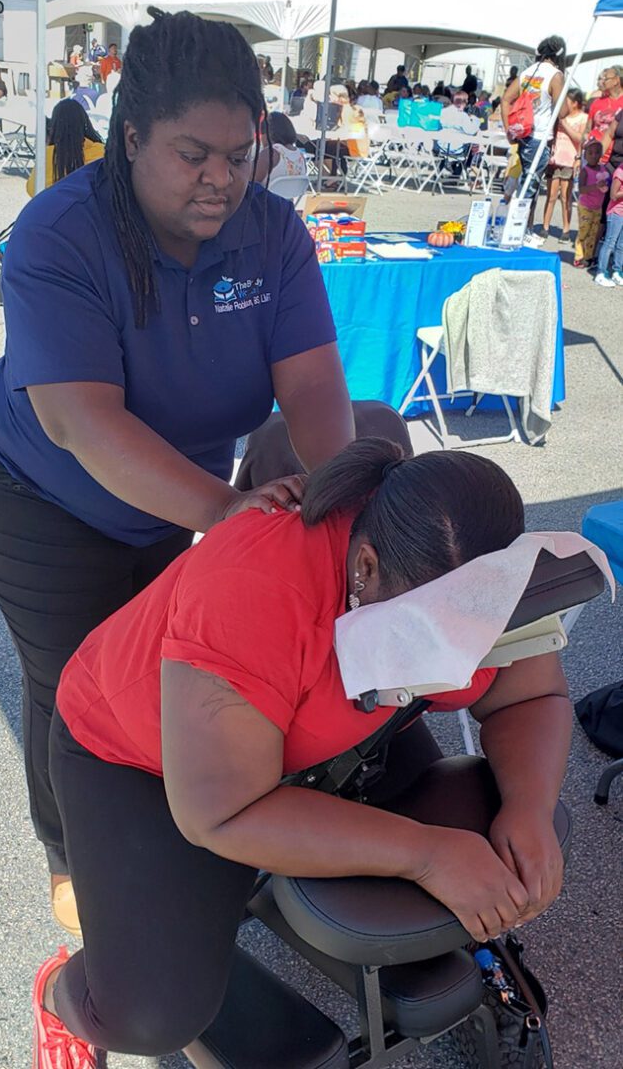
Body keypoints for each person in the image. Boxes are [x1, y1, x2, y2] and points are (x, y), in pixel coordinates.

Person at [0, 8, 354, 940]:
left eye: (239, 152)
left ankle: (182, 823)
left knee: (166, 669)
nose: (222, 178)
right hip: (36, 494)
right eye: (193, 154)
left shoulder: (273, 234)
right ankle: (71, 855)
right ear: (130, 138)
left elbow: (312, 387)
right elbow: (80, 422)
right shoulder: (60, 233)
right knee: (75, 683)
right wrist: (225, 509)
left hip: (171, 495)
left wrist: (344, 498)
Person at [29, 436, 573, 1067]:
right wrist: (426, 854)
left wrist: (529, 808)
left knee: (471, 829)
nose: (455, 666)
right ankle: (61, 993)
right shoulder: (251, 588)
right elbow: (221, 814)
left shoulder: (475, 571)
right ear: (363, 567)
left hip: (328, 737)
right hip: (143, 756)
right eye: (424, 640)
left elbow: (529, 696)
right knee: (148, 1016)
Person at [501, 35, 569, 244]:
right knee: (530, 186)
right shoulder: (556, 76)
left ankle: (524, 228)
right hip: (539, 137)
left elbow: (505, 99)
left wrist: (509, 130)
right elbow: (563, 111)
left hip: (523, 134)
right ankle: (517, 231)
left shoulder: (528, 72)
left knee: (526, 182)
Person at [25, 98, 104, 196]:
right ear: (85, 122)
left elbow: (32, 189)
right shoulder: (100, 152)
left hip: (53, 209)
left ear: (54, 125)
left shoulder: (47, 156)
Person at [541, 88, 588, 242]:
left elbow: (580, 138)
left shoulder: (582, 118)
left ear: (575, 103)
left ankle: (566, 228)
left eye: (566, 101)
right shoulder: (559, 117)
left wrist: (578, 158)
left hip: (569, 160)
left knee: (565, 197)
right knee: (551, 195)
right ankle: (545, 226)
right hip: (555, 159)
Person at [574, 140, 609, 267]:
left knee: (593, 233)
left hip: (597, 207)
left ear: (601, 154)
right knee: (584, 231)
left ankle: (588, 256)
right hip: (586, 207)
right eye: (590, 153)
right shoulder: (585, 171)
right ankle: (579, 256)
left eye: (597, 152)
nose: (594, 155)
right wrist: (595, 186)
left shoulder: (603, 169)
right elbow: (581, 189)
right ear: (585, 156)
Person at [582, 65, 623, 164]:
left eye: (606, 78)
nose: (603, 81)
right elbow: (587, 130)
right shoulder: (597, 102)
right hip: (591, 156)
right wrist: (580, 154)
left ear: (616, 80)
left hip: (613, 159)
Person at [255, 110, 306, 186]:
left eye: (262, 131)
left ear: (268, 132)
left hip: (267, 197)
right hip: (290, 197)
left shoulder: (270, 153)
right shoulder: (301, 156)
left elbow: (251, 181)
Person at [594, 158, 623, 286]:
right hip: (616, 212)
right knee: (610, 242)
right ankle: (601, 272)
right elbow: (613, 195)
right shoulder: (619, 172)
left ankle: (617, 271)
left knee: (621, 245)